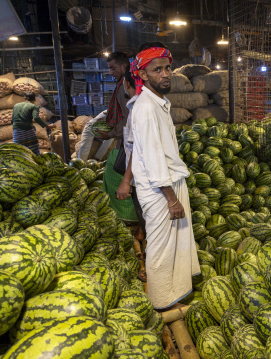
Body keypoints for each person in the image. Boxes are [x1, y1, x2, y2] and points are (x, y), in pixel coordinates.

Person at [130, 43, 200, 310]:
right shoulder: (146, 108)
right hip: (160, 191)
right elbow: (153, 157)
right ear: (144, 75)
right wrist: (171, 199)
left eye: (167, 67)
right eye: (157, 70)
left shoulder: (158, 103)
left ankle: (173, 294)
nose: (165, 74)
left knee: (173, 245)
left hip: (167, 185)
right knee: (161, 249)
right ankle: (160, 303)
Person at [115, 66, 147, 282]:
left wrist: (126, 181)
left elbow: (137, 148)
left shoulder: (138, 108)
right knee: (146, 224)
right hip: (144, 179)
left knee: (147, 224)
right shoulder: (144, 106)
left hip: (141, 180)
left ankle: (149, 267)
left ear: (127, 84)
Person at [99, 52, 138, 223]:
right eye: (109, 68)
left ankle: (128, 222)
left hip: (126, 143)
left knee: (118, 179)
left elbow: (128, 120)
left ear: (124, 66)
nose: (111, 72)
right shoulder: (122, 86)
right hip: (124, 141)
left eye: (113, 68)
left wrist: (111, 133)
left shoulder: (125, 87)